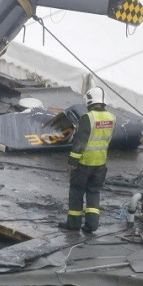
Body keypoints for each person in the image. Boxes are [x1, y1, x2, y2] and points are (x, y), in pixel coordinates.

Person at [58, 86, 116, 233]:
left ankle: (74, 224)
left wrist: (72, 162)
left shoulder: (87, 118)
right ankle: (91, 225)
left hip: (84, 164)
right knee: (93, 193)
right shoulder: (112, 118)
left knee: (76, 192)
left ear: (90, 101)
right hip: (100, 163)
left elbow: (79, 143)